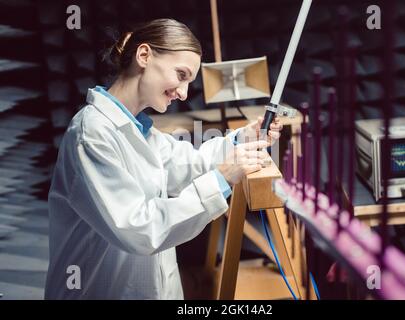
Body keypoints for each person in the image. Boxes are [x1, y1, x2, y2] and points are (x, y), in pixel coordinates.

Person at [45, 18, 283, 299]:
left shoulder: (139, 129)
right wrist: (222, 179)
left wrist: (241, 139)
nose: (183, 93)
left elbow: (188, 163)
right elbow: (140, 228)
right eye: (181, 75)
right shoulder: (91, 135)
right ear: (144, 55)